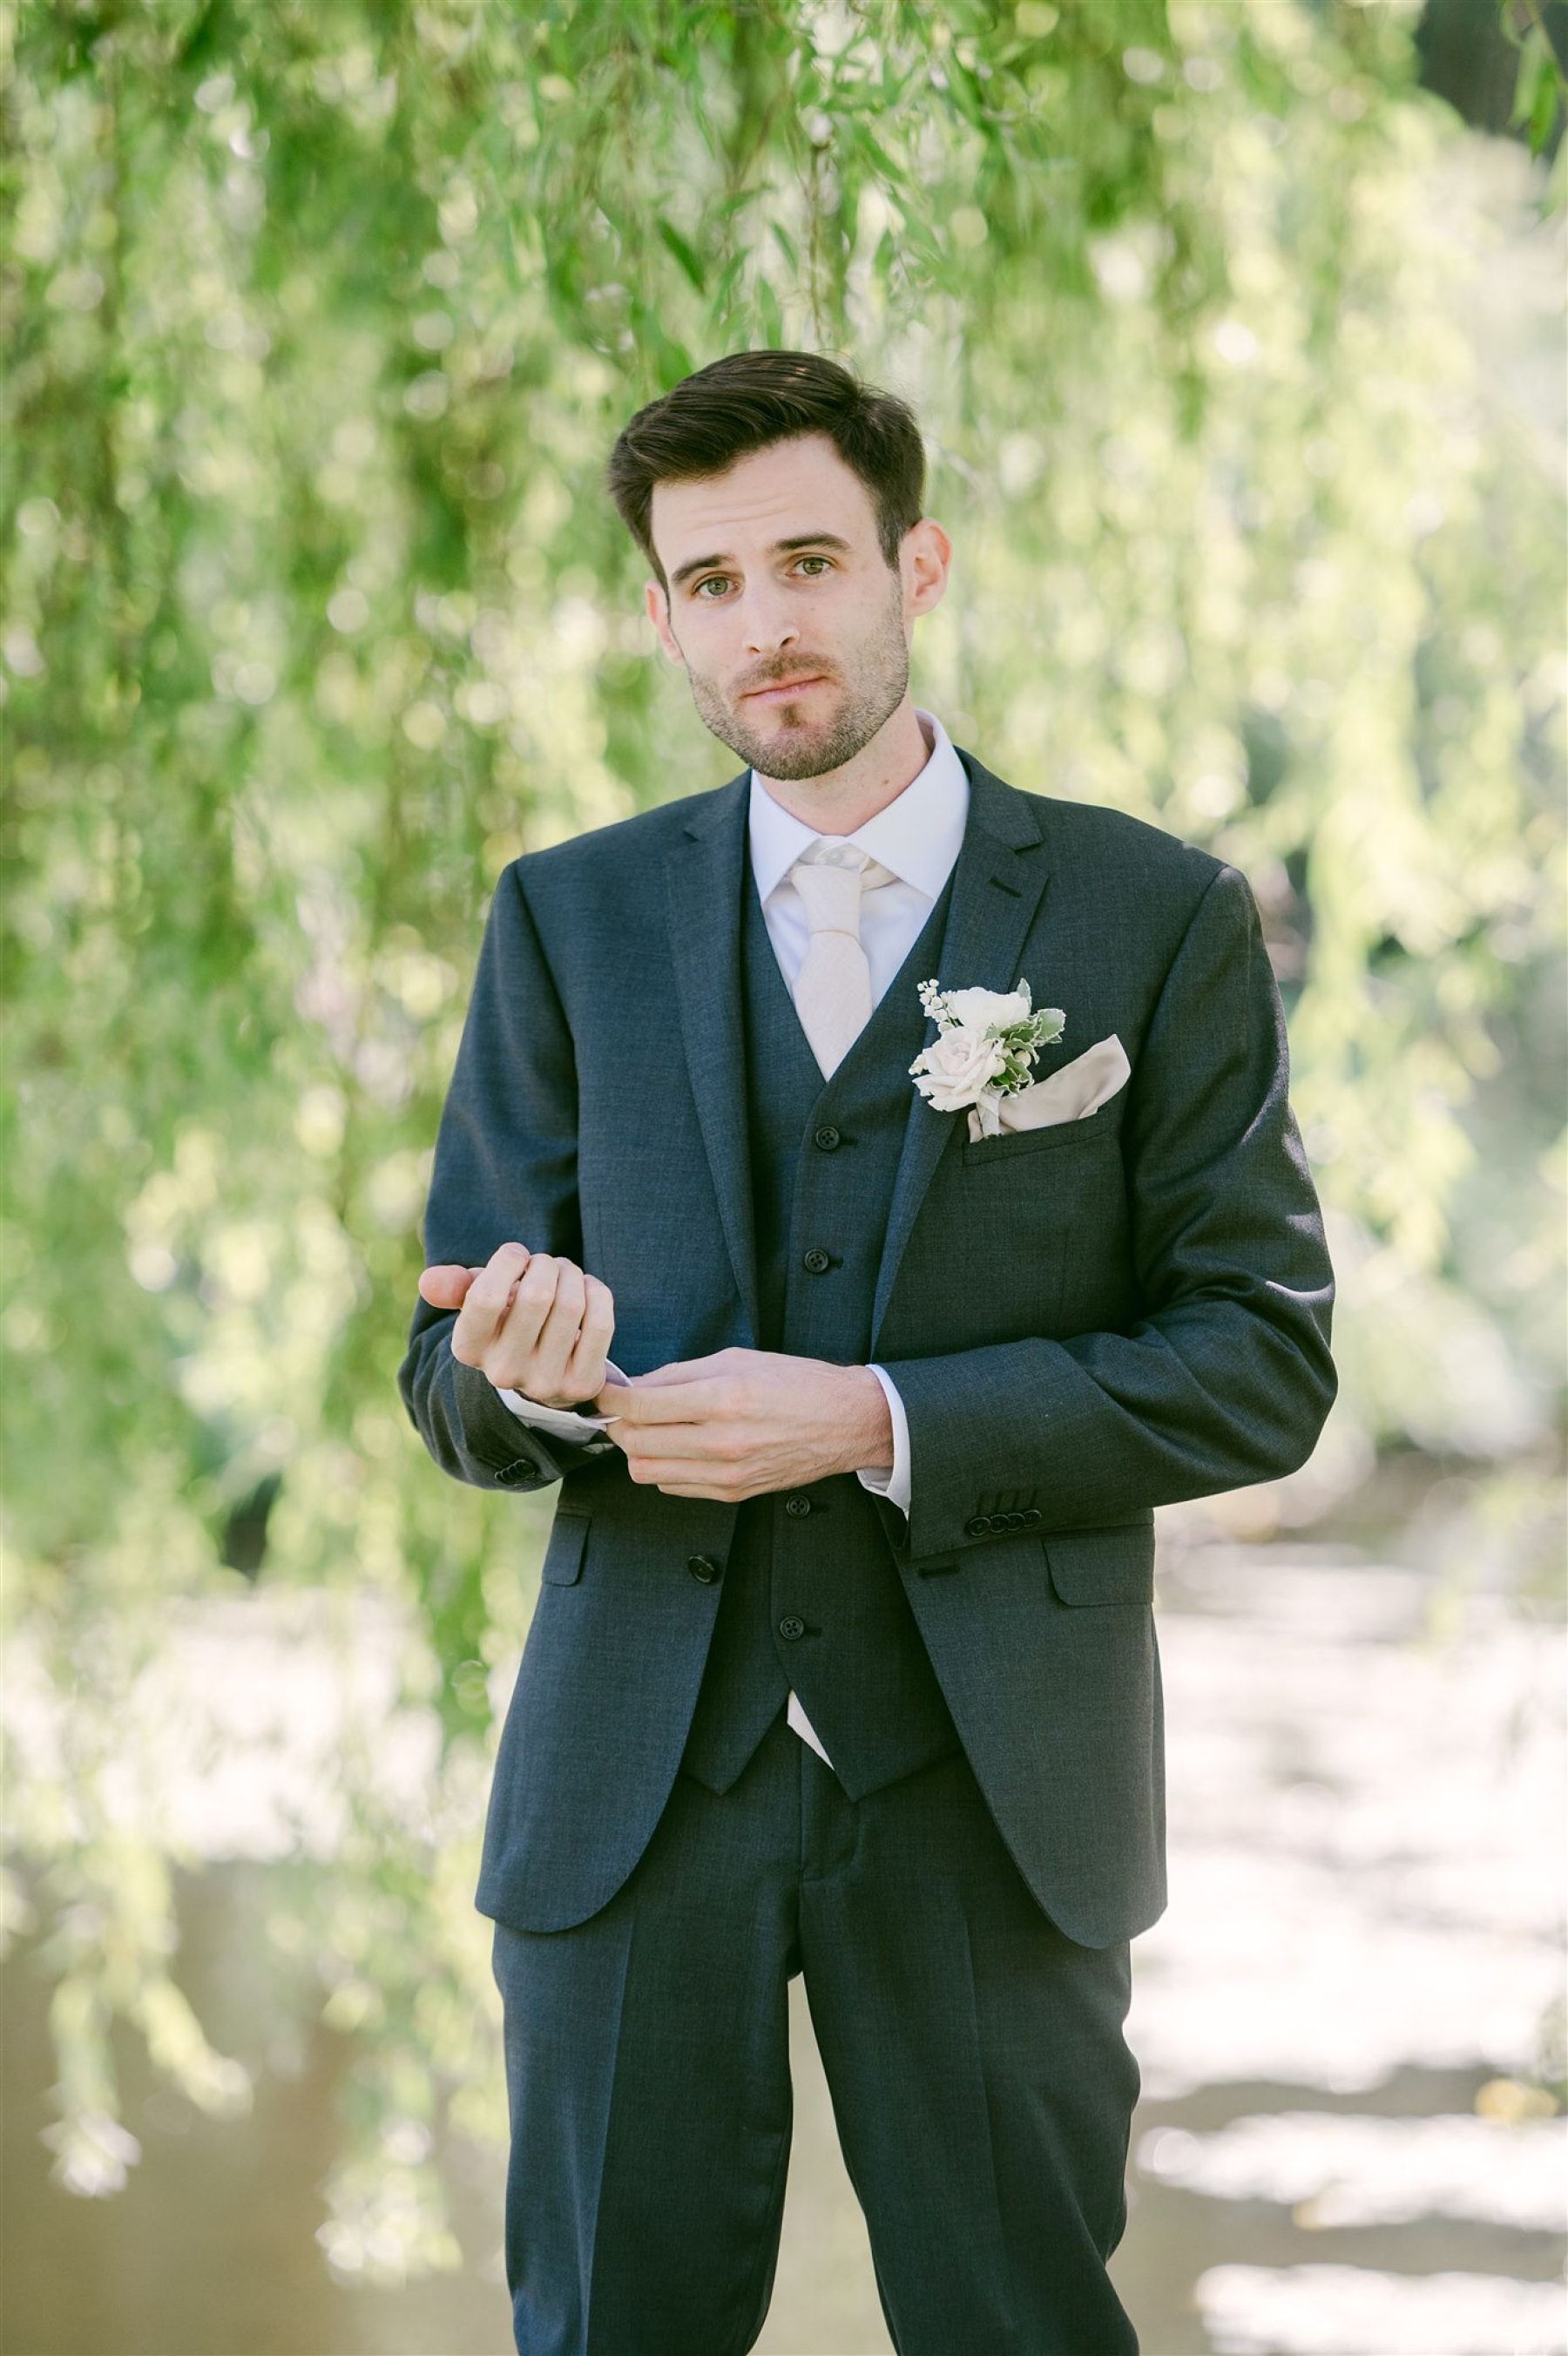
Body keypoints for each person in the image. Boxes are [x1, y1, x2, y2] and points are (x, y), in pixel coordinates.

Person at [398, 348, 1337, 2356]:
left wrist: (883, 1418)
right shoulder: (564, 920)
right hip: (637, 1788)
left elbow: (1263, 1356)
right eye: (711, 582)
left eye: (809, 560)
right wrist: (526, 1371)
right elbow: (452, 1381)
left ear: (916, 562)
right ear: (662, 613)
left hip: (996, 1787)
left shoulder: (1148, 916)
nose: (768, 622)